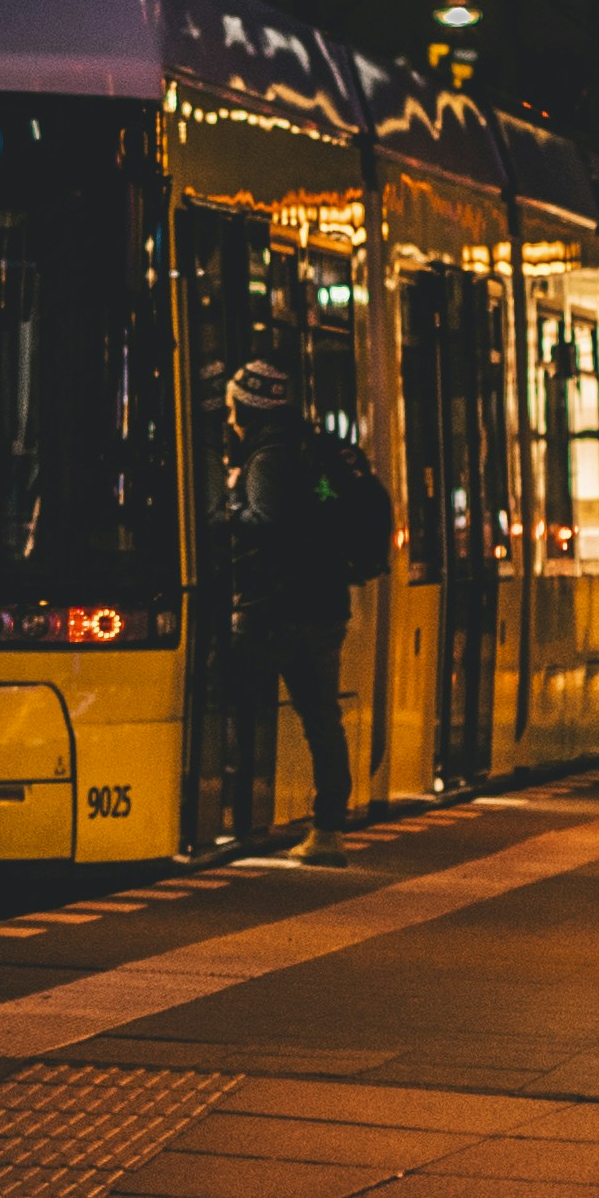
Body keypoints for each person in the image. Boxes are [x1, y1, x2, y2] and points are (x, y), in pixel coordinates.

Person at [218, 360, 384, 861]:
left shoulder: (267, 457)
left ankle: (228, 810)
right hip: (324, 605)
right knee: (321, 719)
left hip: (272, 608)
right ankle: (329, 829)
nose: (229, 418)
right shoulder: (311, 448)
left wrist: (227, 509)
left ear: (245, 408)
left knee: (228, 699)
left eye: (232, 407)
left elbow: (267, 521)